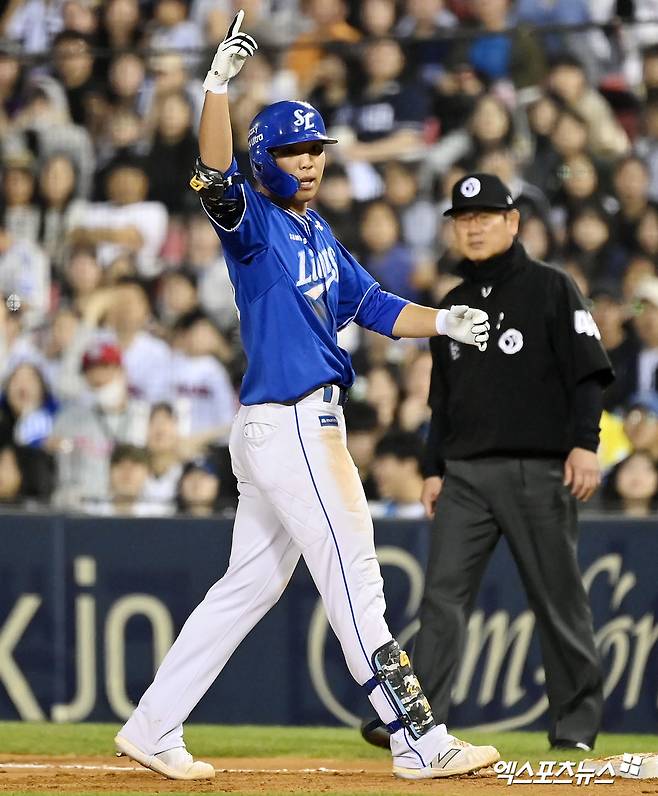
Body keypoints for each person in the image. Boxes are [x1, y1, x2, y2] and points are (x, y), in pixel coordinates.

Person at [114, 10, 495, 782]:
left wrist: (444, 320)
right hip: (292, 425)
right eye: (294, 150)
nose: (310, 161)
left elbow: (375, 305)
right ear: (267, 158)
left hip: (282, 427)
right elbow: (213, 174)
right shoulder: (254, 222)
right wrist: (215, 89)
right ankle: (417, 741)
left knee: (247, 587)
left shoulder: (317, 231)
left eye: (316, 148)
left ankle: (152, 725)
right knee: (356, 578)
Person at [361, 172, 614, 753]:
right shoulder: (451, 305)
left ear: (512, 221)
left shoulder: (552, 287)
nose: (473, 228)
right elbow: (443, 401)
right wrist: (432, 468)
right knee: (441, 599)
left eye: (485, 217)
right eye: (463, 219)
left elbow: (589, 374)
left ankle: (575, 727)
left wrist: (586, 443)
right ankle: (417, 720)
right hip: (465, 475)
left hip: (538, 469)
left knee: (558, 600)